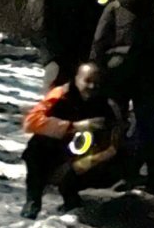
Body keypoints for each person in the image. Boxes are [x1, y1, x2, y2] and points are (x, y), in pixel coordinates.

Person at [90, 0, 154, 193]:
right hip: (118, 72)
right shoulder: (115, 8)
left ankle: (152, 174)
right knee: (116, 123)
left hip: (146, 72)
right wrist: (95, 69)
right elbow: (99, 41)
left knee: (148, 123)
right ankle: (112, 171)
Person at [21, 63, 124, 219]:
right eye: (87, 81)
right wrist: (73, 126)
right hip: (56, 148)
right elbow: (30, 122)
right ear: (76, 79)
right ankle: (33, 200)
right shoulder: (60, 93)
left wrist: (82, 164)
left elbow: (114, 146)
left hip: (88, 156)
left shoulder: (109, 105)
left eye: (97, 83)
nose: (92, 87)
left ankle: (72, 198)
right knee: (35, 149)